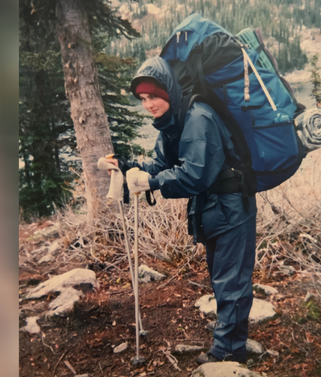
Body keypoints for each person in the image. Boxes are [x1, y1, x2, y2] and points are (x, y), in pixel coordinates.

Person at [98, 56, 257, 364]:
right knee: (223, 277)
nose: (149, 104)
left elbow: (194, 174)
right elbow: (159, 166)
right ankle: (230, 329)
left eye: (154, 96)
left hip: (232, 209)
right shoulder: (173, 122)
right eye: (143, 99)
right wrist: (126, 166)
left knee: (231, 281)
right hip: (214, 209)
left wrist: (152, 181)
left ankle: (228, 353)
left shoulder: (198, 117)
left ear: (169, 92)